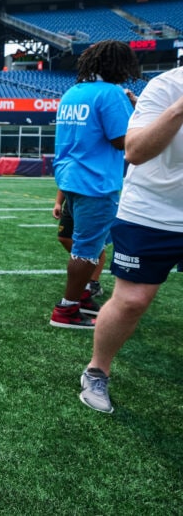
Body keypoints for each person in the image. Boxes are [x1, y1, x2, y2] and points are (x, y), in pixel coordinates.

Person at [79, 65, 183, 413]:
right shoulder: (166, 86)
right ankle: (97, 370)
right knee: (133, 301)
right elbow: (134, 151)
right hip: (152, 212)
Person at [49, 40, 139, 329]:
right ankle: (66, 310)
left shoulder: (72, 92)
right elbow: (121, 141)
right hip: (96, 181)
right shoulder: (111, 93)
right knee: (86, 251)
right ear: (117, 66)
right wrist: (141, 114)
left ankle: (84, 296)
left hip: (72, 178)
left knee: (86, 245)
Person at [53, 188, 106, 312]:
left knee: (93, 244)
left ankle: (93, 283)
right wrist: (58, 203)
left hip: (92, 198)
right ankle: (83, 281)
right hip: (72, 198)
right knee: (64, 237)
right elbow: (65, 178)